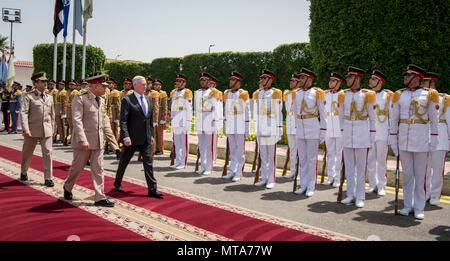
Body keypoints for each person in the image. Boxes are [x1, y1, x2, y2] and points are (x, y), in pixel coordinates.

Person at [389, 65, 439, 219]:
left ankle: (419, 207)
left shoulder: (428, 95)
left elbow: (434, 120)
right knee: (408, 175)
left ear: (417, 77)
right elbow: (394, 120)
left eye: (408, 75)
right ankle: (407, 205)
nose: (405, 77)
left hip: (422, 141)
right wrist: (394, 142)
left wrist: (433, 142)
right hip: (404, 140)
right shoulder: (399, 95)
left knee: (420, 176)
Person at [63, 74, 115, 207]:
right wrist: (82, 139)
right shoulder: (80, 98)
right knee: (77, 167)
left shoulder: (102, 99)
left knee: (98, 169)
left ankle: (99, 197)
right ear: (96, 86)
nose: (106, 88)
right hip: (84, 141)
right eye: (103, 86)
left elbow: (103, 121)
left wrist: (111, 141)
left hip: (97, 140)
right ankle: (68, 187)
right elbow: (77, 120)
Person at [113, 76, 164, 199]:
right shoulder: (127, 100)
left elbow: (149, 119)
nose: (145, 86)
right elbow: (123, 121)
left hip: (146, 138)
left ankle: (152, 189)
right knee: (124, 161)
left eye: (145, 84)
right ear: (135, 85)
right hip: (132, 138)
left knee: (148, 163)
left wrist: (151, 135)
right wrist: (125, 136)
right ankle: (117, 182)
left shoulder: (147, 99)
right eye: (142, 84)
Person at [338, 66, 376, 208]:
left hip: (362, 135)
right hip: (348, 134)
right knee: (349, 167)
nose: (347, 79)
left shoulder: (368, 95)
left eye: (350, 77)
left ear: (357, 79)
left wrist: (372, 138)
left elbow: (372, 119)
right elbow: (341, 116)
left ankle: (360, 196)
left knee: (361, 168)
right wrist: (342, 133)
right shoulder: (343, 95)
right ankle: (351, 194)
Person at [293, 68, 326, 197]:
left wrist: (323, 132)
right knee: (302, 158)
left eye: (302, 78)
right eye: (300, 77)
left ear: (309, 79)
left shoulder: (317, 93)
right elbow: (296, 112)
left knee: (312, 159)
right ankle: (303, 184)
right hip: (301, 128)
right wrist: (296, 128)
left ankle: (311, 185)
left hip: (312, 127)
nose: (300, 80)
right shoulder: (297, 93)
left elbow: (323, 115)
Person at [19, 72, 55, 186]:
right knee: (27, 152)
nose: (45, 83)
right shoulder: (29, 96)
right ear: (36, 83)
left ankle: (48, 177)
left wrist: (53, 128)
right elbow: (23, 113)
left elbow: (52, 115)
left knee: (48, 153)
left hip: (47, 130)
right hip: (32, 130)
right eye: (43, 81)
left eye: (46, 81)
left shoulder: (50, 97)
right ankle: (24, 171)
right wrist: (25, 129)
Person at [253, 69, 283, 189]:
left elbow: (279, 112)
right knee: (263, 156)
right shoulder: (259, 93)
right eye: (261, 78)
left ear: (270, 80)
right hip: (261, 127)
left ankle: (271, 179)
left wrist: (279, 130)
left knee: (271, 156)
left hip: (271, 128)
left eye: (264, 78)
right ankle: (264, 177)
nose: (261, 80)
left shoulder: (276, 93)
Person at [422, 72, 447, 206]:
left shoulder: (444, 99)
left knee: (437, 168)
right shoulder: (422, 98)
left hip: (441, 136)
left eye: (425, 82)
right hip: (425, 136)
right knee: (425, 168)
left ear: (432, 83)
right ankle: (425, 193)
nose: (422, 84)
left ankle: (435, 194)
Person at [366, 70, 392, 196]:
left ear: (380, 82)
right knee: (370, 160)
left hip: (382, 132)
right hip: (369, 133)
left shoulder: (388, 96)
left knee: (381, 160)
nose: (371, 81)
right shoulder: (366, 95)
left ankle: (381, 185)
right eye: (371, 78)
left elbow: (392, 116)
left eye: (374, 79)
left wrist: (392, 134)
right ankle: (372, 184)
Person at [222, 71, 250, 182]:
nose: (230, 81)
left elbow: (247, 112)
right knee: (232, 150)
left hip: (240, 125)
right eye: (231, 79)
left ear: (238, 82)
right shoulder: (227, 93)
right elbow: (226, 111)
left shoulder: (243, 94)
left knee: (239, 151)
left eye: (233, 80)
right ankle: (232, 171)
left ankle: (239, 172)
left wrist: (247, 129)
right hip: (230, 125)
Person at [194, 72, 221, 175]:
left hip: (209, 122)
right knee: (201, 145)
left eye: (204, 80)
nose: (202, 82)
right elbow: (197, 109)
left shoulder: (213, 92)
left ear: (209, 82)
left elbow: (216, 108)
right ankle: (203, 166)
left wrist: (215, 123)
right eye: (201, 80)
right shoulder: (198, 92)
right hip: (200, 121)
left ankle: (209, 167)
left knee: (209, 146)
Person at [322, 72, 345, 187]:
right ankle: (330, 177)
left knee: (339, 154)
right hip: (328, 127)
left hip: (340, 128)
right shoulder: (325, 94)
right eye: (330, 80)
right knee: (330, 154)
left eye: (333, 81)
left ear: (338, 83)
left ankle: (338, 178)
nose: (330, 82)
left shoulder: (343, 94)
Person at [170, 73, 193, 169]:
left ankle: (183, 162)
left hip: (183, 121)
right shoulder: (173, 92)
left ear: (184, 83)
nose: (178, 83)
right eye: (177, 81)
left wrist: (188, 121)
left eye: (180, 81)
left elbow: (189, 108)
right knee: (177, 143)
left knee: (183, 143)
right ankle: (178, 161)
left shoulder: (187, 92)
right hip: (175, 121)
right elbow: (172, 107)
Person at [283, 73, 301, 179]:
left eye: (293, 81)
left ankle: (299, 172)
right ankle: (293, 170)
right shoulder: (287, 94)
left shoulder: (300, 94)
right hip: (290, 124)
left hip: (297, 124)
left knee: (300, 151)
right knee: (292, 150)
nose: (291, 82)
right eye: (291, 81)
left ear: (299, 83)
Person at [154, 79, 168, 155]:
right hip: (153, 114)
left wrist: (163, 118)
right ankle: (154, 148)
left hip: (160, 114)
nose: (156, 86)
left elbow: (165, 106)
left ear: (160, 86)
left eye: (158, 85)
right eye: (155, 84)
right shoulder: (152, 93)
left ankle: (160, 149)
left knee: (159, 133)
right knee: (153, 132)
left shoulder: (163, 93)